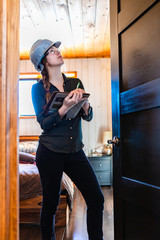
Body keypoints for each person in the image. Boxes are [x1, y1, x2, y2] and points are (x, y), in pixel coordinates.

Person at [30, 39, 104, 240]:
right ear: (43, 61)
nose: (58, 52)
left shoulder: (75, 83)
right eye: (52, 51)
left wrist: (86, 106)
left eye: (57, 50)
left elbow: (87, 116)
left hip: (75, 152)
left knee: (96, 199)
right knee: (51, 206)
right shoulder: (37, 90)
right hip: (49, 153)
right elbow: (44, 123)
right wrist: (63, 108)